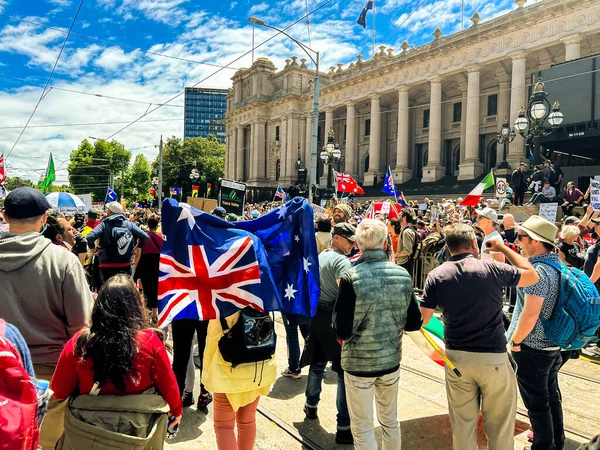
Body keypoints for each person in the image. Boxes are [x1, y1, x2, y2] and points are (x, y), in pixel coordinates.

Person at [420, 223, 539, 450]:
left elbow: (423, 320)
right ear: (474, 243)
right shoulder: (491, 268)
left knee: (463, 426)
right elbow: (532, 276)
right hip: (492, 357)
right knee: (501, 426)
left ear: (447, 247)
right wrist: (503, 248)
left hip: (457, 358)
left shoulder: (436, 275)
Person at [0, 187, 93, 449]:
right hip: (53, 378)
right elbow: (81, 327)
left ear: (5, 216)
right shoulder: (63, 261)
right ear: (44, 218)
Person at [50, 276, 182, 441]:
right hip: (136, 431)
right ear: (136, 306)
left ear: (98, 307)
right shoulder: (149, 341)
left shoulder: (80, 343)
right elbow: (168, 384)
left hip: (88, 431)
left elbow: (59, 390)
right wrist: (176, 411)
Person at [333, 219, 423, 450]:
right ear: (385, 244)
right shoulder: (403, 275)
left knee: (362, 426)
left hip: (358, 364)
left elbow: (342, 329)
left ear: (359, 245)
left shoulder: (350, 277)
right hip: (390, 361)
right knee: (390, 421)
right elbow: (414, 322)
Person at [506, 215, 565, 450]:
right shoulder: (558, 265)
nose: (518, 241)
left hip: (532, 347)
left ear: (536, 242)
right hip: (553, 343)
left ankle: (543, 446)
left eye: (522, 237)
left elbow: (530, 314)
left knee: (537, 405)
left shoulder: (538, 271)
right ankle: (556, 443)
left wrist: (516, 342)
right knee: (552, 399)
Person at [303, 223, 355, 445]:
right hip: (335, 317)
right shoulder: (342, 261)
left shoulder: (322, 255)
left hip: (318, 315)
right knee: (342, 373)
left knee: (317, 363)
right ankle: (343, 426)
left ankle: (311, 406)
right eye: (349, 240)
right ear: (337, 238)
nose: (353, 244)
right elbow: (346, 290)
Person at [202, 310, 277, 450]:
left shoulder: (221, 297)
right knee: (247, 421)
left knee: (223, 425)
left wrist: (208, 374)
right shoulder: (264, 293)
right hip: (259, 367)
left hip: (227, 371)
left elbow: (212, 342)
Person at [86, 201, 148, 284]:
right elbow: (145, 237)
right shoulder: (129, 224)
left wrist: (94, 250)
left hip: (106, 264)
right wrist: (138, 247)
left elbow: (90, 237)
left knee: (108, 290)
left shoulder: (104, 224)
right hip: (124, 263)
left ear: (110, 212)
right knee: (124, 290)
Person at [133, 214, 163, 323]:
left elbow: (138, 253)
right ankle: (155, 314)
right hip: (157, 264)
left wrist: (136, 266)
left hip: (145, 263)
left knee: (144, 288)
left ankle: (146, 313)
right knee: (156, 289)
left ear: (147, 224)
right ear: (157, 225)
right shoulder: (162, 237)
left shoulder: (143, 236)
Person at [397, 208, 419, 275]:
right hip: (404, 263)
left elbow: (408, 251)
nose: (398, 216)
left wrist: (397, 255)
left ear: (404, 217)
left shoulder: (407, 232)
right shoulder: (406, 230)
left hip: (405, 263)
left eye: (400, 215)